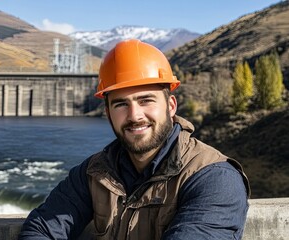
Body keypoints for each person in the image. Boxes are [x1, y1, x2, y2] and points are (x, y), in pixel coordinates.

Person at [18, 39, 250, 240]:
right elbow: (41, 228)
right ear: (108, 112)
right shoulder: (93, 174)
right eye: (121, 104)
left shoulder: (214, 179)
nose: (135, 116)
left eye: (146, 100)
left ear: (170, 106)